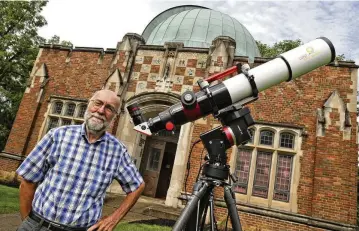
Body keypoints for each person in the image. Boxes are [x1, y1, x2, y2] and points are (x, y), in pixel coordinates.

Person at [16, 89, 145, 231]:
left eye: (109, 108)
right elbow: (27, 181)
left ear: (115, 116)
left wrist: (113, 219)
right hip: (39, 225)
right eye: (98, 103)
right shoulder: (58, 135)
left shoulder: (117, 151)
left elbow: (137, 186)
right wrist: (29, 223)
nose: (101, 110)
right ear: (89, 104)